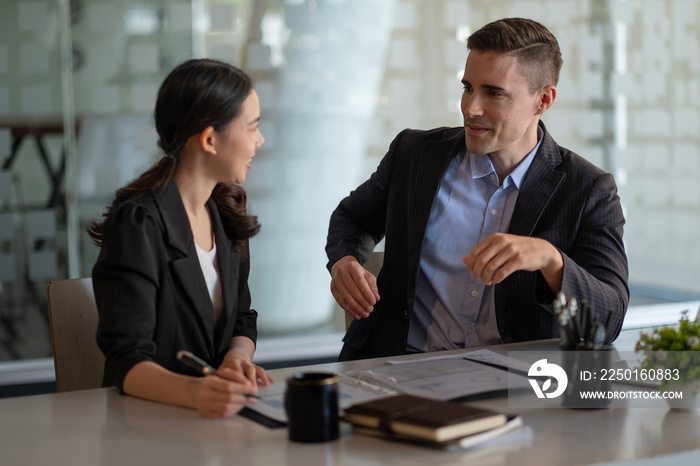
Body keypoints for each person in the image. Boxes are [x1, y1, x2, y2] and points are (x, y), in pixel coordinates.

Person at [326, 18, 629, 361]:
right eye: (468, 87)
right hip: (398, 369)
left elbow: (611, 315)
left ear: (543, 100)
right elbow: (351, 218)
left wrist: (550, 260)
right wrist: (343, 262)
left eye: (494, 93)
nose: (471, 108)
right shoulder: (415, 154)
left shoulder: (588, 189)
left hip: (515, 388)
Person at [89, 58, 272, 418]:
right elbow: (126, 361)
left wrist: (236, 359)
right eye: (252, 128)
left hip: (214, 423)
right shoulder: (138, 222)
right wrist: (197, 392)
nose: (260, 141)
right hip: (148, 428)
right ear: (209, 139)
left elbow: (242, 319)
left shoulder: (227, 213)